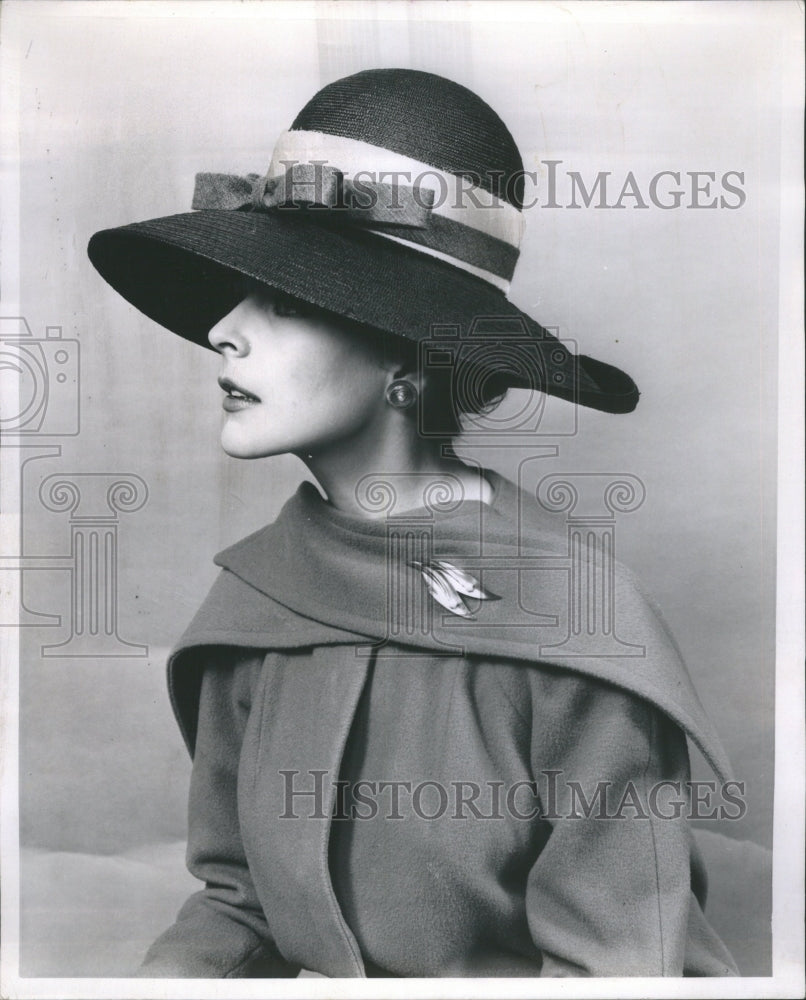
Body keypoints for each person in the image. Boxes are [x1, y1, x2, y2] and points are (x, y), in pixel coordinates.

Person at [87, 68, 738, 978]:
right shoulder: (256, 602)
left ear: (409, 356)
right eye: (238, 293)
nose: (223, 331)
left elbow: (620, 965)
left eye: (286, 300)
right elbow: (238, 900)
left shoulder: (574, 628)